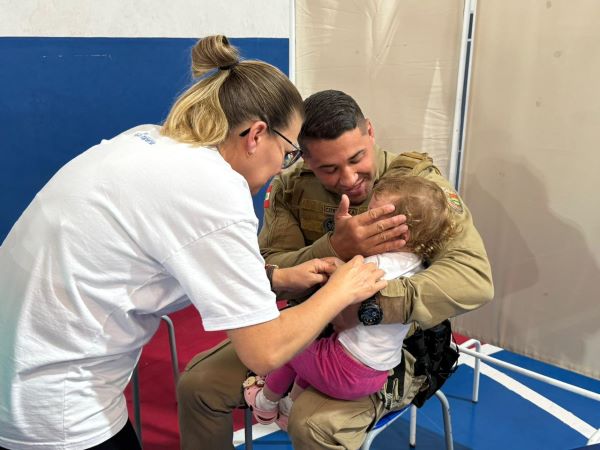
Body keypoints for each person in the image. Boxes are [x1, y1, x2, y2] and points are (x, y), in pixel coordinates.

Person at [0, 39, 387, 450]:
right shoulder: (215, 190)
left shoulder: (149, 140)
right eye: (288, 153)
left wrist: (275, 278)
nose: (281, 169)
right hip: (53, 400)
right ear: (257, 134)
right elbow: (265, 350)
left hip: (21, 366)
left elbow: (184, 256)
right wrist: (342, 288)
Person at [177, 89, 493, 450]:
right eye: (329, 169)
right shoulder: (292, 188)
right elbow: (269, 271)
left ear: (369, 131)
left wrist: (367, 304)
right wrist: (335, 249)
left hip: (391, 349)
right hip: (310, 327)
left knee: (314, 425)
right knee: (199, 385)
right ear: (305, 158)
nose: (349, 178)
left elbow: (474, 277)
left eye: (357, 158)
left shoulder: (417, 187)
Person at [242, 175, 459, 430]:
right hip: (378, 374)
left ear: (400, 232)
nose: (363, 221)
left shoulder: (372, 264)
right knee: (316, 348)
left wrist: (337, 258)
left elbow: (338, 298)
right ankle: (290, 407)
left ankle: (265, 403)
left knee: (292, 348)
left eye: (373, 217)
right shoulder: (420, 267)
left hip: (344, 370)